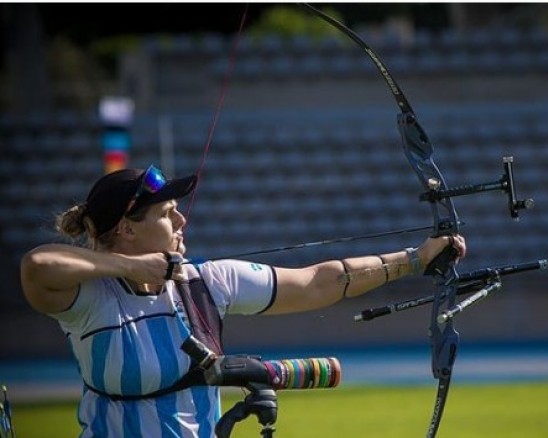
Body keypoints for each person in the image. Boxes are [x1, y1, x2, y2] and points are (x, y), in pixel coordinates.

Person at [20, 165, 467, 437]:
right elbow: (37, 266)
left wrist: (414, 259)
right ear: (127, 229)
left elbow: (319, 282)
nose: (181, 217)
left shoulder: (205, 282)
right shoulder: (90, 299)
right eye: (165, 212)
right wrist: (131, 268)